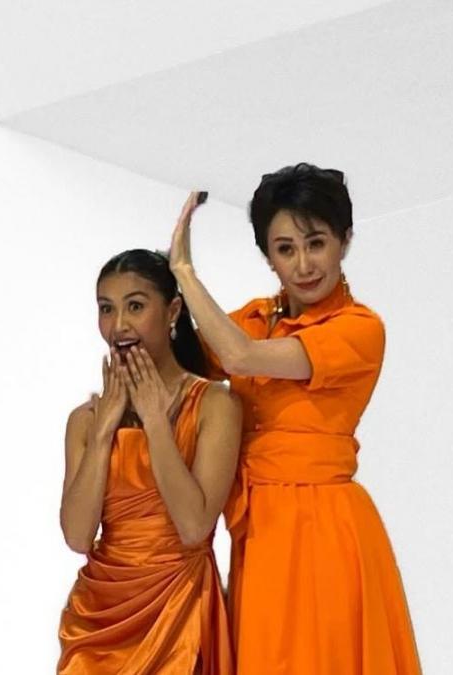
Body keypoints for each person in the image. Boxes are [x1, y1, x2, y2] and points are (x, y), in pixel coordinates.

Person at [168, 164, 422, 674]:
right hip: (258, 529)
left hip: (323, 527)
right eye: (285, 249)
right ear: (268, 256)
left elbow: (238, 357)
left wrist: (184, 271)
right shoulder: (257, 318)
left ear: (345, 240)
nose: (304, 264)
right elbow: (186, 360)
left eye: (316, 243)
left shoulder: (359, 329)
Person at [57, 249, 241, 674]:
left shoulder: (215, 405)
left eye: (135, 306)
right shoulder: (85, 421)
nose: (119, 325)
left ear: (172, 311)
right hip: (100, 622)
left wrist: (156, 422)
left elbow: (194, 527)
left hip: (179, 612)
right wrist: (103, 433)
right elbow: (78, 537)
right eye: (106, 308)